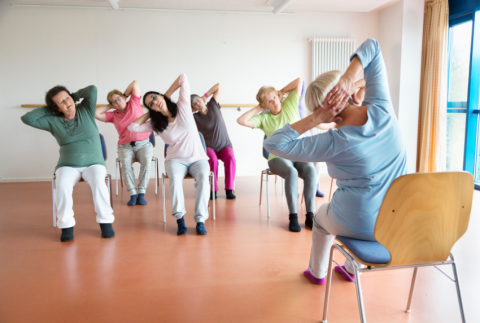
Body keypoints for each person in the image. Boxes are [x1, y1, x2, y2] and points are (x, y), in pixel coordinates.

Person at [263, 38, 407, 284]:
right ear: (348, 92)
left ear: (323, 111)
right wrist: (349, 77)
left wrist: (314, 119)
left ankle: (317, 273)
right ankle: (351, 268)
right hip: (397, 219)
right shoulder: (382, 108)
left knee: (320, 218)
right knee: (367, 207)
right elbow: (372, 46)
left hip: (359, 222)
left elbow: (273, 144)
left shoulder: (332, 142)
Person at [21, 85, 115, 242]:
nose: (67, 103)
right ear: (55, 107)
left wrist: (72, 96)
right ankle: (66, 226)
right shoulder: (53, 121)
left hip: (94, 163)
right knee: (62, 184)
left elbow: (92, 89)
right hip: (67, 164)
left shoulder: (86, 109)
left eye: (67, 98)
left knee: (99, 182)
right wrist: (50, 109)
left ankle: (106, 223)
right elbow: (27, 118)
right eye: (61, 102)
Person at [128, 73, 210, 236]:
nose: (154, 102)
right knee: (175, 180)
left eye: (154, 97)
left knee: (203, 178)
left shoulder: (183, 106)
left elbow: (183, 78)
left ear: (159, 95)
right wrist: (150, 113)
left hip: (198, 158)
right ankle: (180, 219)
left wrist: (166, 95)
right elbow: (132, 127)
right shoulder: (155, 123)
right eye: (150, 103)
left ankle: (200, 220)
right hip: (175, 160)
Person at [237, 77, 316, 233]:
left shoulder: (290, 103)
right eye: (269, 101)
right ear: (265, 105)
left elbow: (299, 81)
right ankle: (293, 217)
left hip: (298, 154)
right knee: (291, 172)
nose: (274, 101)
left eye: (274, 97)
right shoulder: (263, 118)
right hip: (277, 158)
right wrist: (258, 109)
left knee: (311, 170)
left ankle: (310, 216)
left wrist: (281, 91)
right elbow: (241, 120)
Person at [95, 81, 153, 206]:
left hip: (144, 144)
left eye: (119, 98)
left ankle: (141, 193)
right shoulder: (113, 115)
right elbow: (96, 113)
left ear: (123, 97)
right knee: (125, 165)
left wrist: (125, 97)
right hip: (125, 146)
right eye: (114, 101)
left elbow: (135, 84)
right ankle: (132, 194)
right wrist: (110, 106)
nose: (118, 102)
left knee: (147, 161)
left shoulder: (134, 103)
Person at [191, 83, 236, 200]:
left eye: (197, 100)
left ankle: (229, 189)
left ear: (201, 99)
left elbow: (218, 86)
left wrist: (205, 96)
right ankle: (212, 190)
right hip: (209, 147)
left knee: (231, 158)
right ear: (193, 108)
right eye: (194, 104)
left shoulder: (213, 105)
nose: (197, 103)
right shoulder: (195, 118)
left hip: (224, 145)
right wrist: (191, 109)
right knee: (213, 160)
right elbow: (182, 113)